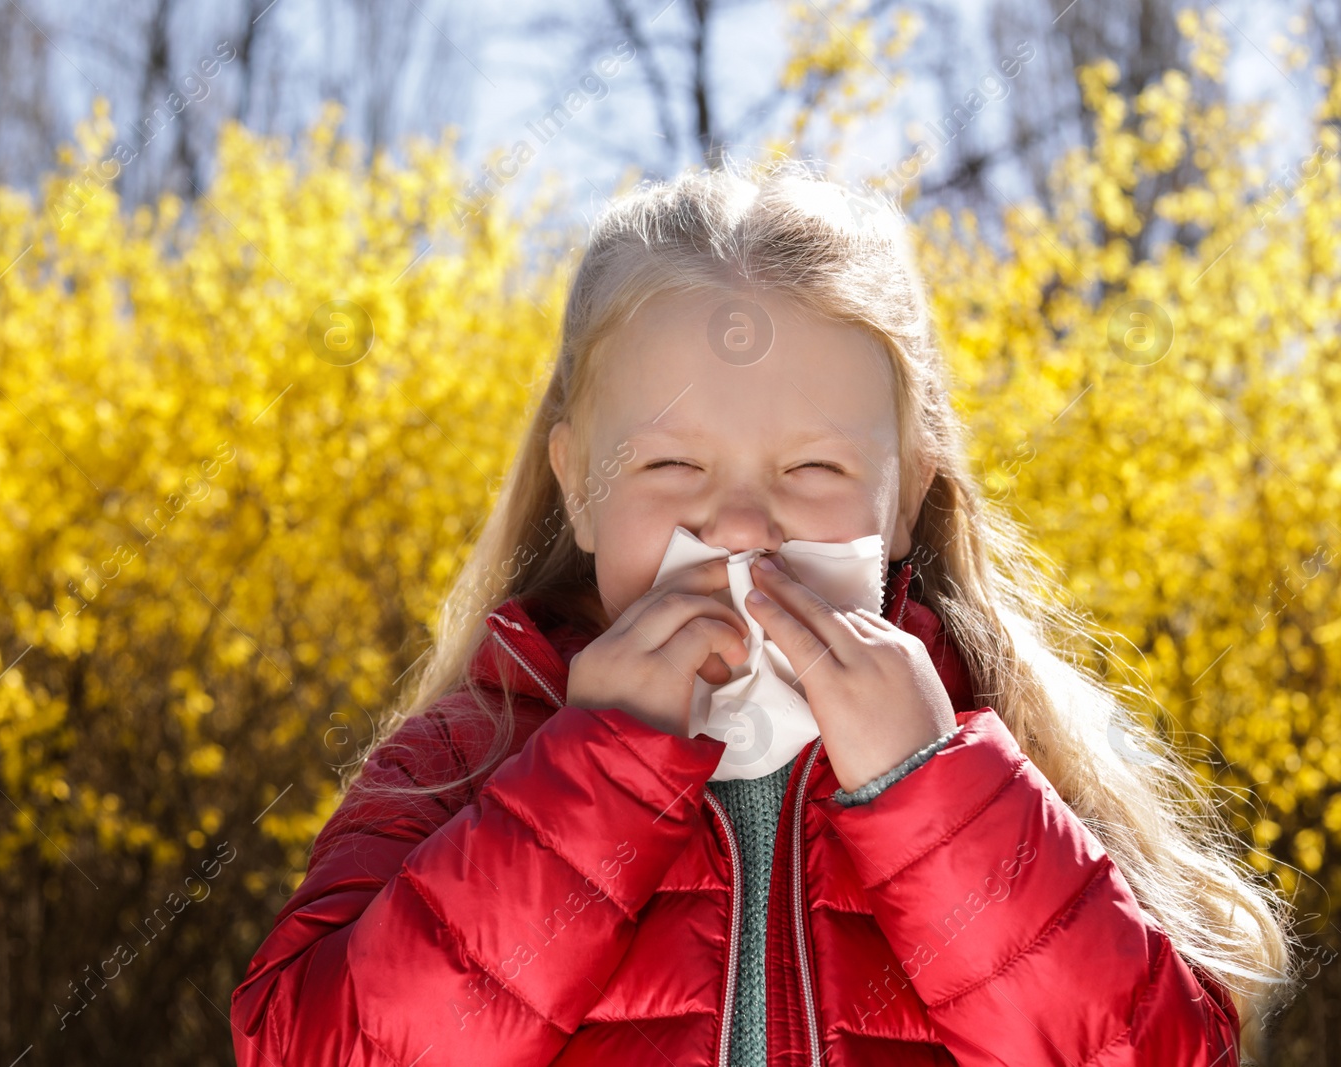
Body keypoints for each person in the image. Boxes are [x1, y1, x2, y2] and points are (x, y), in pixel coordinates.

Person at [229, 161, 1295, 1066]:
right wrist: (588, 781)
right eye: (671, 462)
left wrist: (932, 795)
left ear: (907, 495)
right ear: (578, 486)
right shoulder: (464, 756)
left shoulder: (1010, 753)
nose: (740, 525)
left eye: (815, 465)